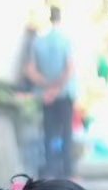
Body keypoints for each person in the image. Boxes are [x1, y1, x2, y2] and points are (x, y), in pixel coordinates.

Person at [26, 9, 77, 179]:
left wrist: (47, 87)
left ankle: (49, 169)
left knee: (48, 133)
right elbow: (69, 68)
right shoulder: (66, 40)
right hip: (64, 94)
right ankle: (67, 171)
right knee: (66, 134)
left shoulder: (37, 42)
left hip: (46, 95)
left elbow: (30, 70)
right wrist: (57, 87)